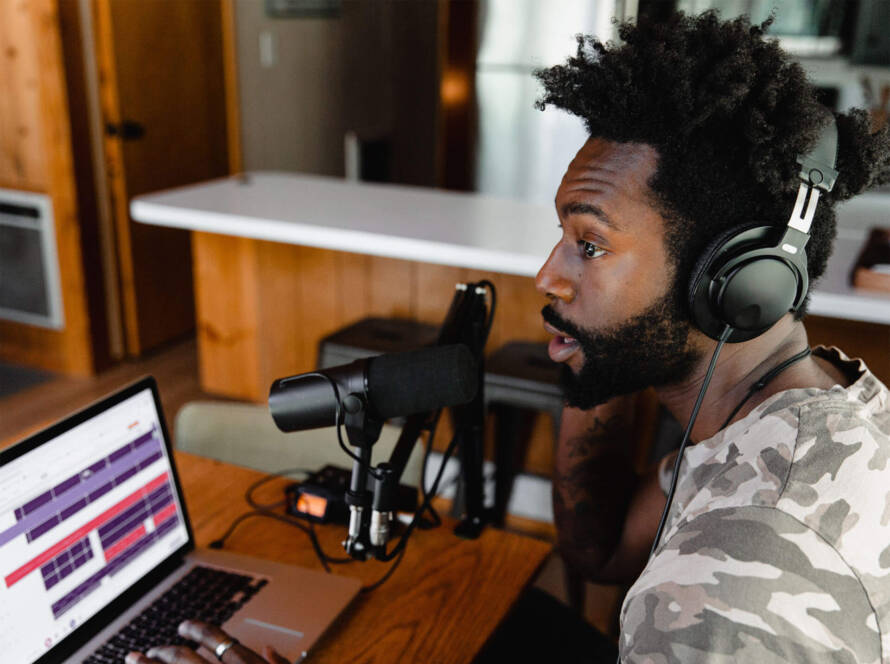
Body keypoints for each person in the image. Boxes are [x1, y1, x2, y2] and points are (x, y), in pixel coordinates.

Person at [131, 9, 890, 664]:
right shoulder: (793, 410)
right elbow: (600, 552)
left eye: (589, 244)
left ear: (734, 280)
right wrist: (600, 355)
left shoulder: (735, 592)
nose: (547, 275)